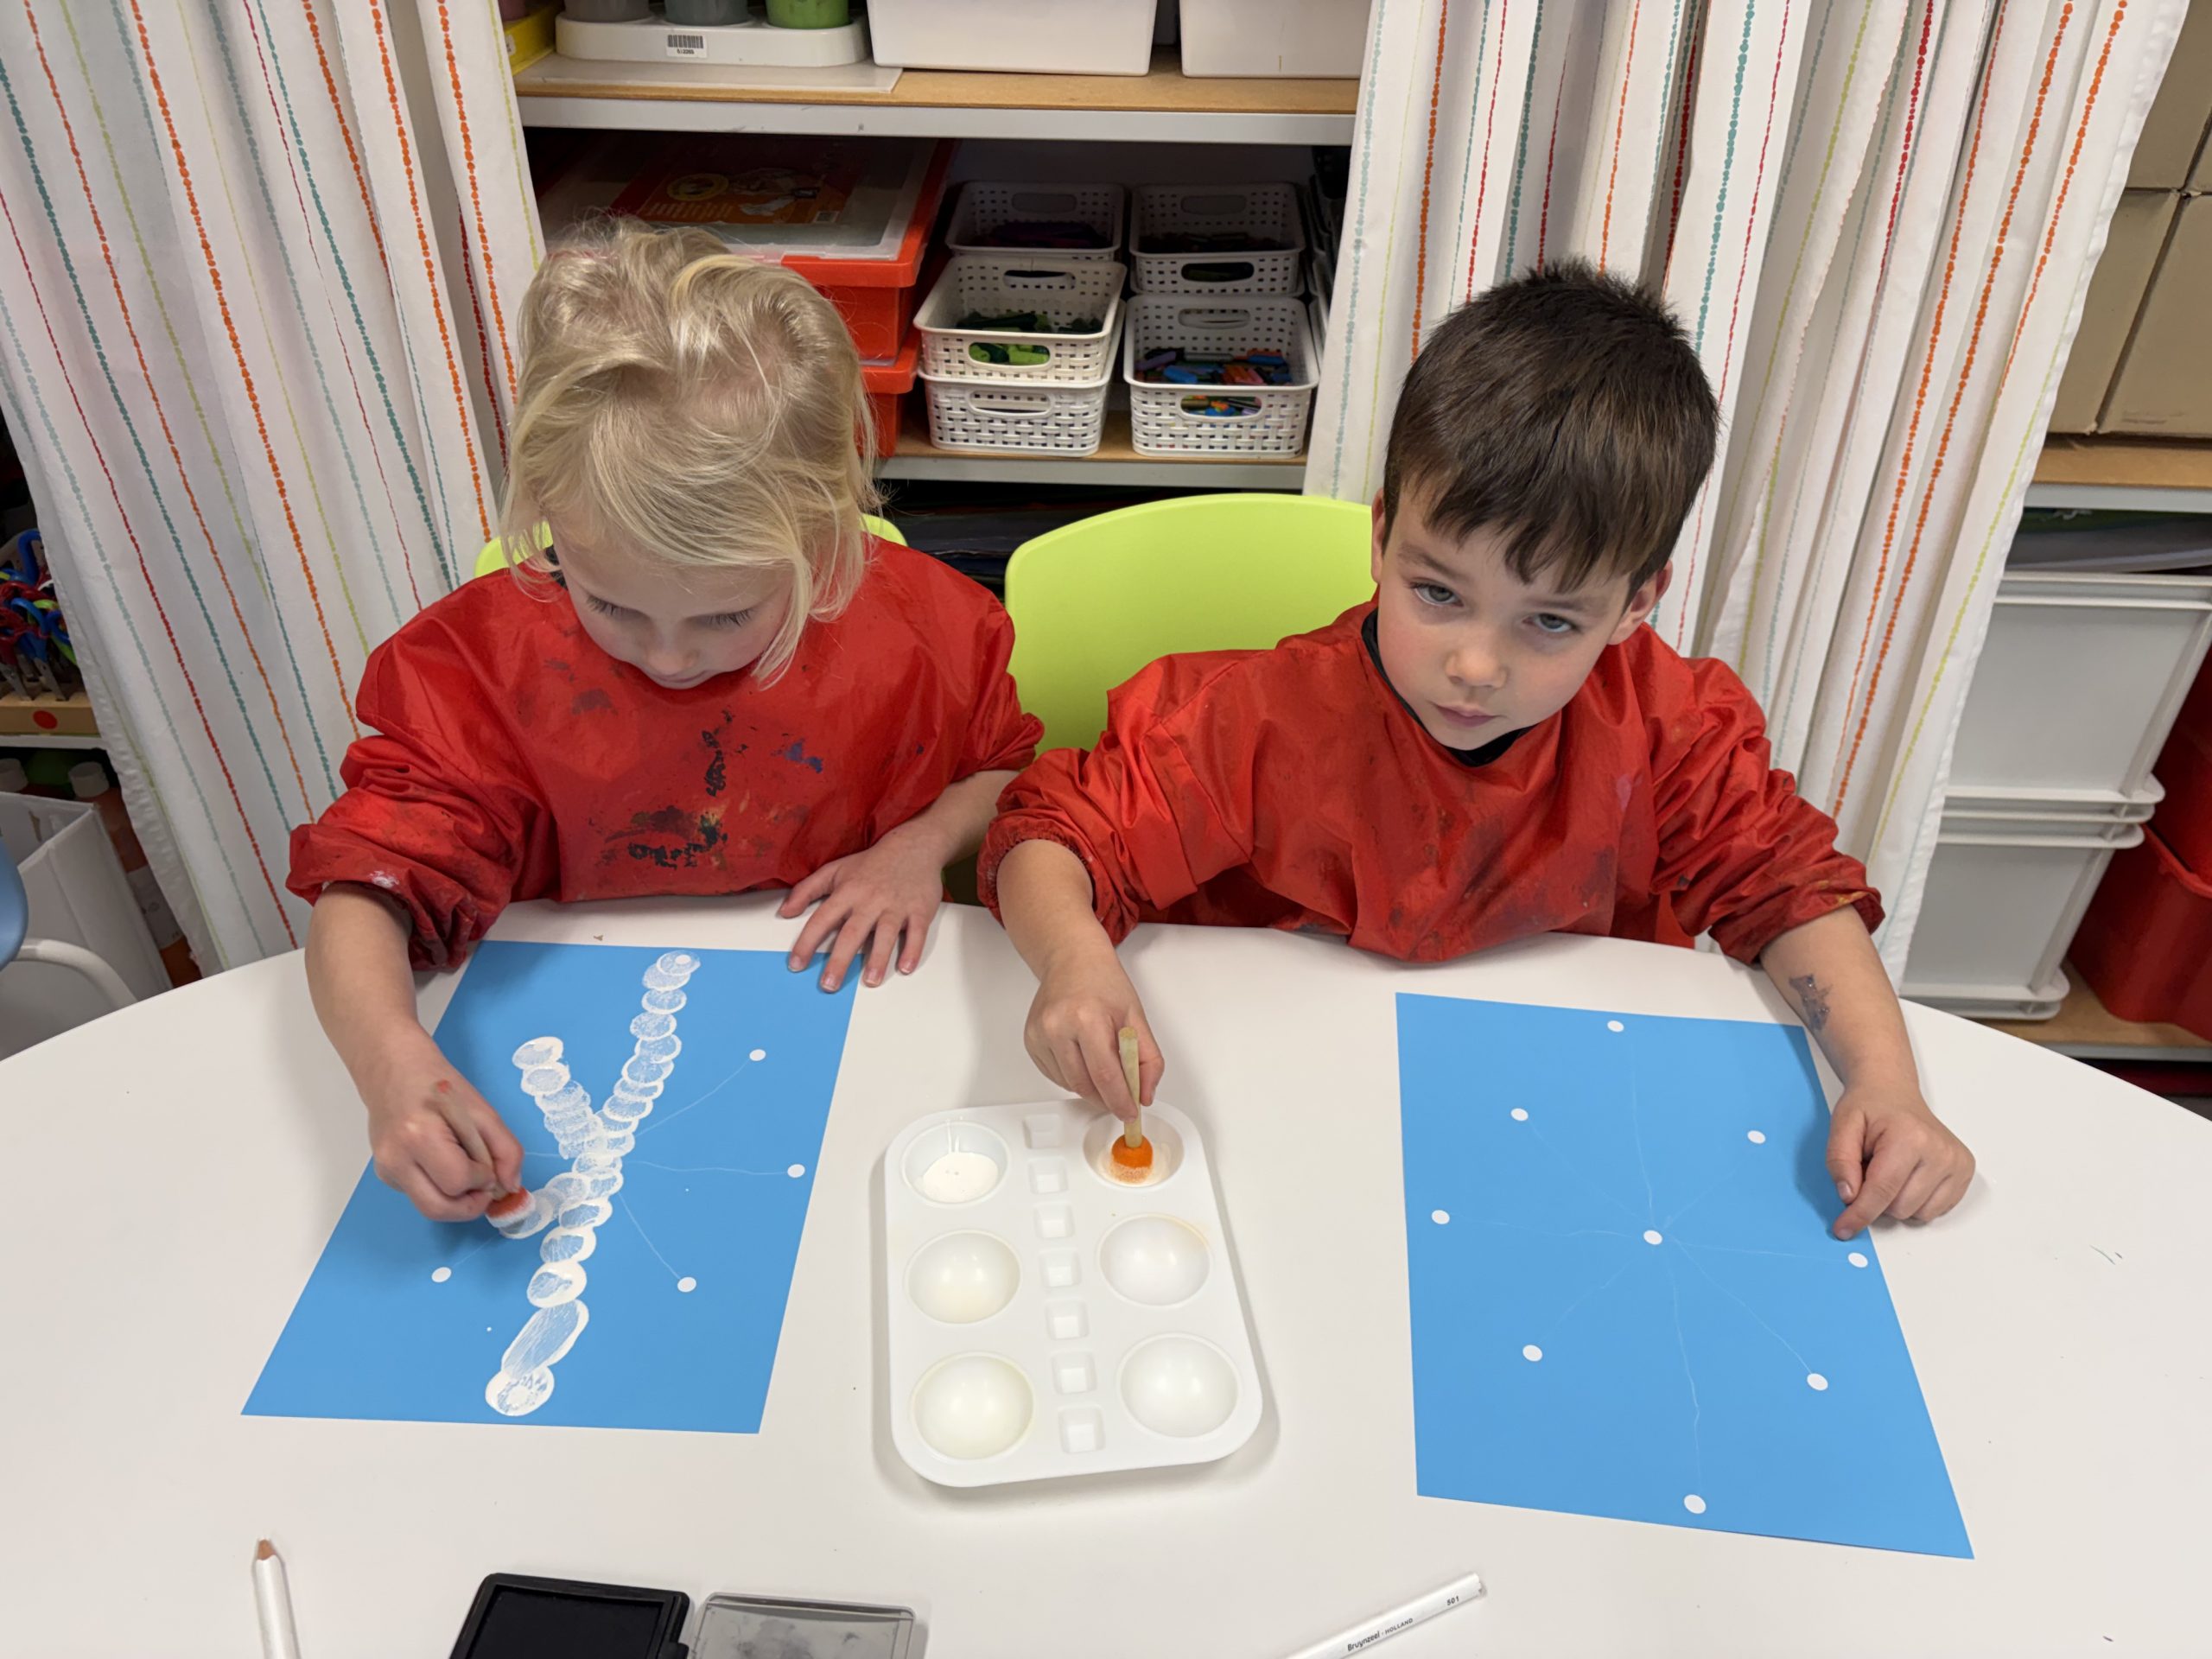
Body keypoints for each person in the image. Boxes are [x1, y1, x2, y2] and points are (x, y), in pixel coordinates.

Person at [982, 261, 1972, 1242]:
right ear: (1382, 539)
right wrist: (1073, 963)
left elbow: (1789, 892)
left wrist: (1885, 1080)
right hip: (1285, 1107)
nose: (1474, 666)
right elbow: (1052, 837)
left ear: (1635, 603)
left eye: (1549, 622)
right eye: (1437, 593)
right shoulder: (1258, 719)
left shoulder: (1665, 731)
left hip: (1554, 1118)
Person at [291, 221, 1039, 1222]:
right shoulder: (479, 669)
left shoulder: (921, 630)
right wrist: (392, 1066)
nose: (670, 657)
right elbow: (365, 888)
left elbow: (1005, 771)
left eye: (727, 616)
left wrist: (919, 844)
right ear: (547, 519)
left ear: (824, 542)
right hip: (564, 1013)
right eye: (611, 604)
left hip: (840, 1026)